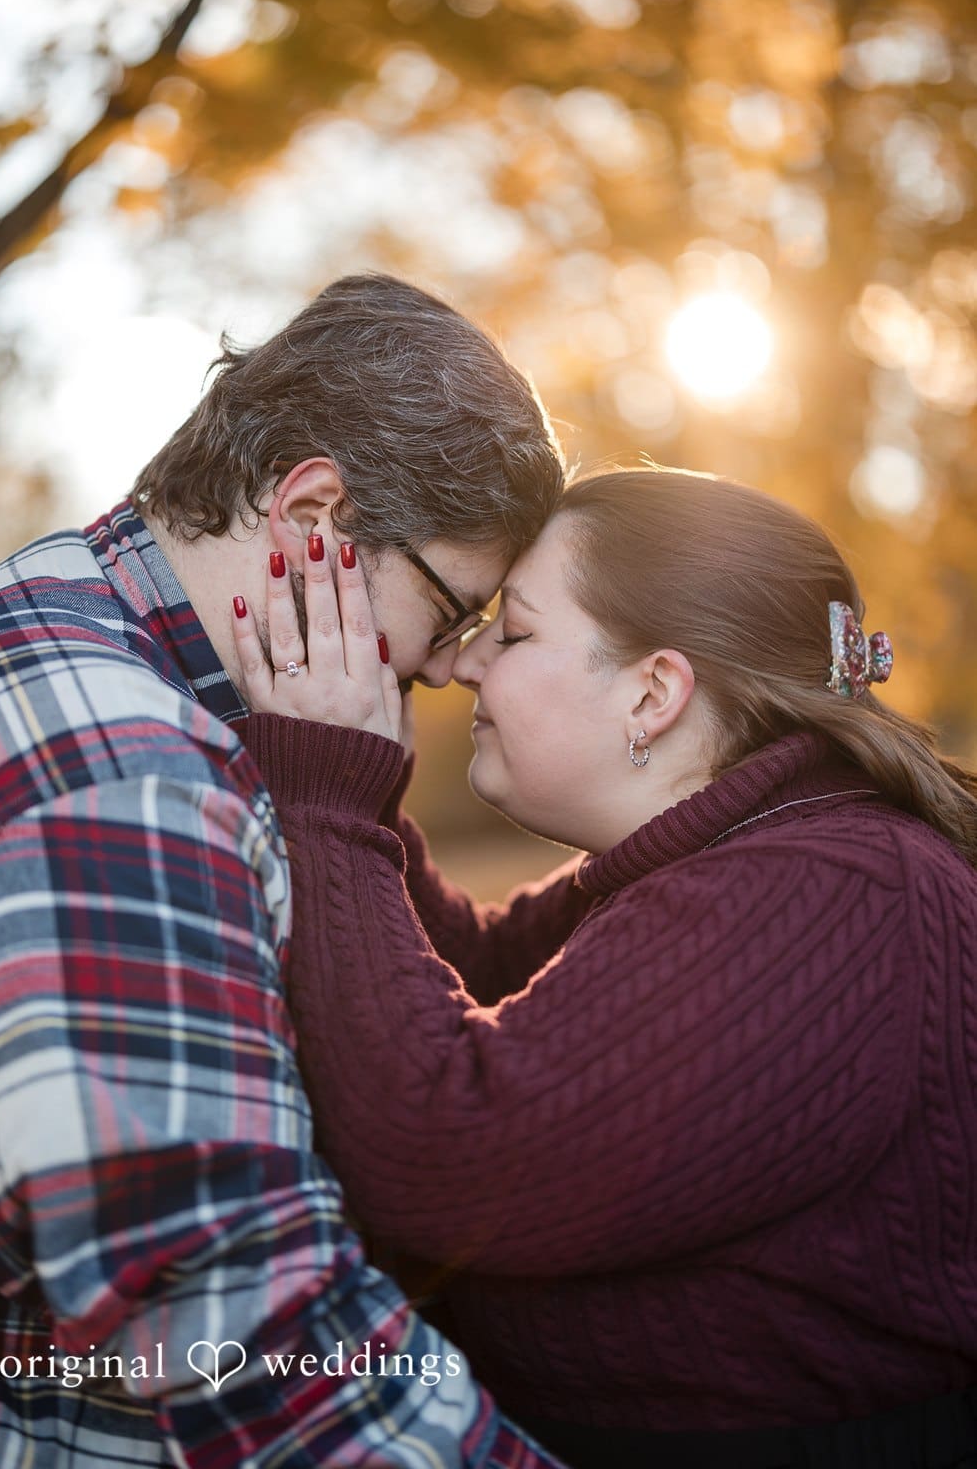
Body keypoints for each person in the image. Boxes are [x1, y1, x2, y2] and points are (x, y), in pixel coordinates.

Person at [0, 273, 570, 1468]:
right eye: (452, 611)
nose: (442, 669)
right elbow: (247, 1335)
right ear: (315, 514)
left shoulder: (63, 605)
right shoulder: (129, 791)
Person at [233, 465, 977, 1469]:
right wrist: (350, 772)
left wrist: (327, 796)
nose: (461, 665)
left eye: (512, 632)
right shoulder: (737, 852)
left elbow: (448, 1156)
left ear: (652, 692)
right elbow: (474, 969)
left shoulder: (832, 891)